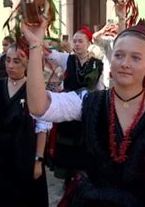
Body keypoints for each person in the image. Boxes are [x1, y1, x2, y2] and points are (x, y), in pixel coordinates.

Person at [26, 20, 145, 206]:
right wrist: (35, 46)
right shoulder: (89, 102)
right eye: (119, 55)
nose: (125, 63)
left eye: (135, 58)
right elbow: (38, 106)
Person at [0, 43, 51, 206]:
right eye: (8, 60)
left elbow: (42, 127)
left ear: (26, 63)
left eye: (17, 61)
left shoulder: (35, 89)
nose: (10, 65)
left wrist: (38, 160)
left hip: (23, 154)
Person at [46, 25, 104, 185]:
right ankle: (68, 179)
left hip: (88, 109)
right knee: (68, 142)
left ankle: (82, 177)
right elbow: (49, 54)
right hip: (68, 107)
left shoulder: (97, 64)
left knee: (85, 142)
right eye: (75, 41)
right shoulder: (67, 59)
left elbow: (99, 87)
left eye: (80, 41)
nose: (77, 44)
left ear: (88, 43)